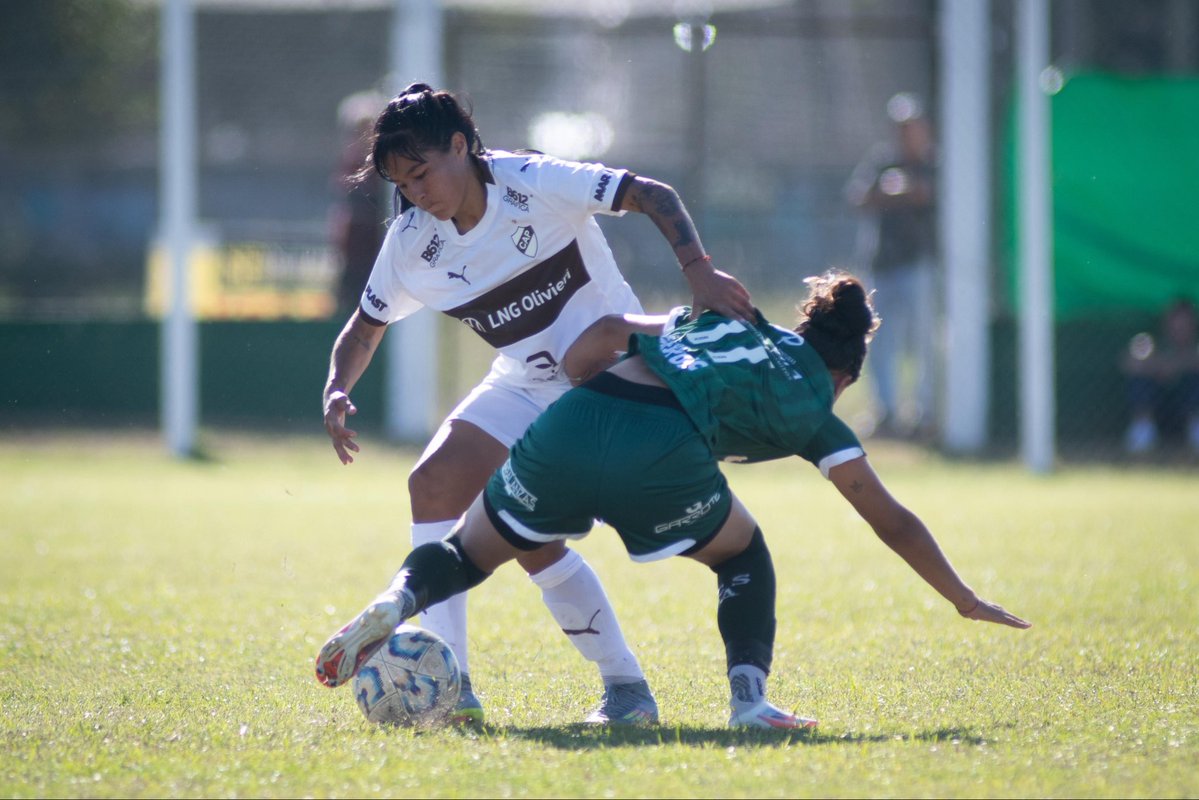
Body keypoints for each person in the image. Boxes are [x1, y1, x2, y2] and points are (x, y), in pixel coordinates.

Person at [316, 272, 1031, 729]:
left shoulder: (722, 316)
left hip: (572, 418)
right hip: (662, 451)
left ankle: (396, 600)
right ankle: (749, 702)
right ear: (843, 375)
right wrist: (961, 595)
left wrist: (617, 360)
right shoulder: (817, 404)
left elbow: (593, 339)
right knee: (743, 553)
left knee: (463, 553)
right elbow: (889, 518)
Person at [319, 83, 755, 726]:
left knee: (529, 535)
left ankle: (626, 688)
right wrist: (336, 386)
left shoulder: (534, 181)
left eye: (422, 172)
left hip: (612, 382)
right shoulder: (412, 241)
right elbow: (364, 327)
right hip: (524, 380)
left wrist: (699, 273)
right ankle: (454, 688)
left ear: (462, 146)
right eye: (401, 184)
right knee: (435, 484)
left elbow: (653, 195)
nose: (416, 193)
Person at [844, 92, 938, 438]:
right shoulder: (882, 162)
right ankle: (886, 413)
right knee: (880, 342)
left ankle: (926, 415)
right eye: (900, 128)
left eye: (911, 127)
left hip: (919, 265)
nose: (906, 134)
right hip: (882, 264)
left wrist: (901, 192)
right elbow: (859, 197)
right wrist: (895, 192)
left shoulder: (933, 164)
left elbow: (926, 195)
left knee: (924, 342)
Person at [1119, 298, 1199, 455]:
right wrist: (1158, 366)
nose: (1180, 327)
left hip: (1188, 404)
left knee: (1193, 380)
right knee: (1140, 382)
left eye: (1185, 322)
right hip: (1158, 404)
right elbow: (1128, 362)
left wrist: (1176, 366)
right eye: (1176, 322)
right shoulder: (1152, 342)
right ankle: (1143, 432)